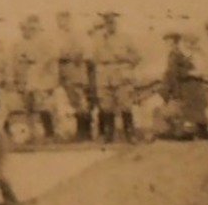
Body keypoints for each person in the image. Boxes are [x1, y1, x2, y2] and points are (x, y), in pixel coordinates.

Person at [89, 11, 143, 143]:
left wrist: (125, 60)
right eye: (107, 23)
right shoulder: (98, 40)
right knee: (106, 106)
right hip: (104, 75)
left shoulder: (125, 38)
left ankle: (130, 134)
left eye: (112, 22)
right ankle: (109, 134)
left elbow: (137, 57)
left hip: (121, 75)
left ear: (116, 23)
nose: (109, 25)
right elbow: (93, 58)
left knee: (125, 104)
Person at [11, 15, 58, 141]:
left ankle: (50, 133)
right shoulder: (20, 44)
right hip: (27, 77)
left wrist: (41, 67)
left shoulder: (45, 41)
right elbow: (17, 60)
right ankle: (32, 134)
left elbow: (51, 57)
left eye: (28, 29)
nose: (25, 31)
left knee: (44, 105)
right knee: (29, 107)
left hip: (42, 78)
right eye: (24, 29)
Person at [53, 11, 93, 141]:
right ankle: (80, 131)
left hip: (75, 69)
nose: (60, 22)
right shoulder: (58, 36)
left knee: (80, 100)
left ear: (68, 19)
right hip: (64, 71)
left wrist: (66, 55)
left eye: (62, 19)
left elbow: (80, 52)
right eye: (58, 20)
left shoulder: (76, 34)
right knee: (73, 102)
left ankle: (85, 131)